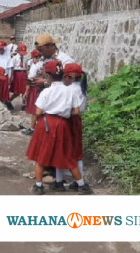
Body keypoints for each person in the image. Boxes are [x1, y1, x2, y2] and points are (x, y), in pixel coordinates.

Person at [25, 60, 92, 195]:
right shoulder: (70, 91)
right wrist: (64, 113)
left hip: (47, 122)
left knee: (41, 156)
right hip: (63, 123)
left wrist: (43, 118)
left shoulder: (46, 92)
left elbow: (37, 112)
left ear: (48, 76)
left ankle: (38, 186)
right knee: (67, 154)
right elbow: (76, 111)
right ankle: (82, 185)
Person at [54, 63, 89, 191]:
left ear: (71, 76)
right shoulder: (81, 87)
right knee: (76, 151)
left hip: (68, 120)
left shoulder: (70, 89)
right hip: (77, 120)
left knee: (62, 150)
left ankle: (60, 181)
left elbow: (66, 108)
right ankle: (79, 180)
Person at [21, 49, 43, 135]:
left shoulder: (35, 66)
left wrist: (26, 93)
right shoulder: (43, 65)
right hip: (42, 88)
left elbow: (30, 81)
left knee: (34, 110)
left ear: (34, 57)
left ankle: (32, 128)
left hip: (35, 88)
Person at [10, 43, 29, 108]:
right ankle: (9, 101)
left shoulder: (26, 58)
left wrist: (27, 75)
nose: (22, 54)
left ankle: (23, 104)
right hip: (17, 74)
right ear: (18, 50)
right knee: (17, 91)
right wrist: (11, 76)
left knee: (24, 90)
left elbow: (26, 67)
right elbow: (12, 68)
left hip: (23, 74)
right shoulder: (14, 58)